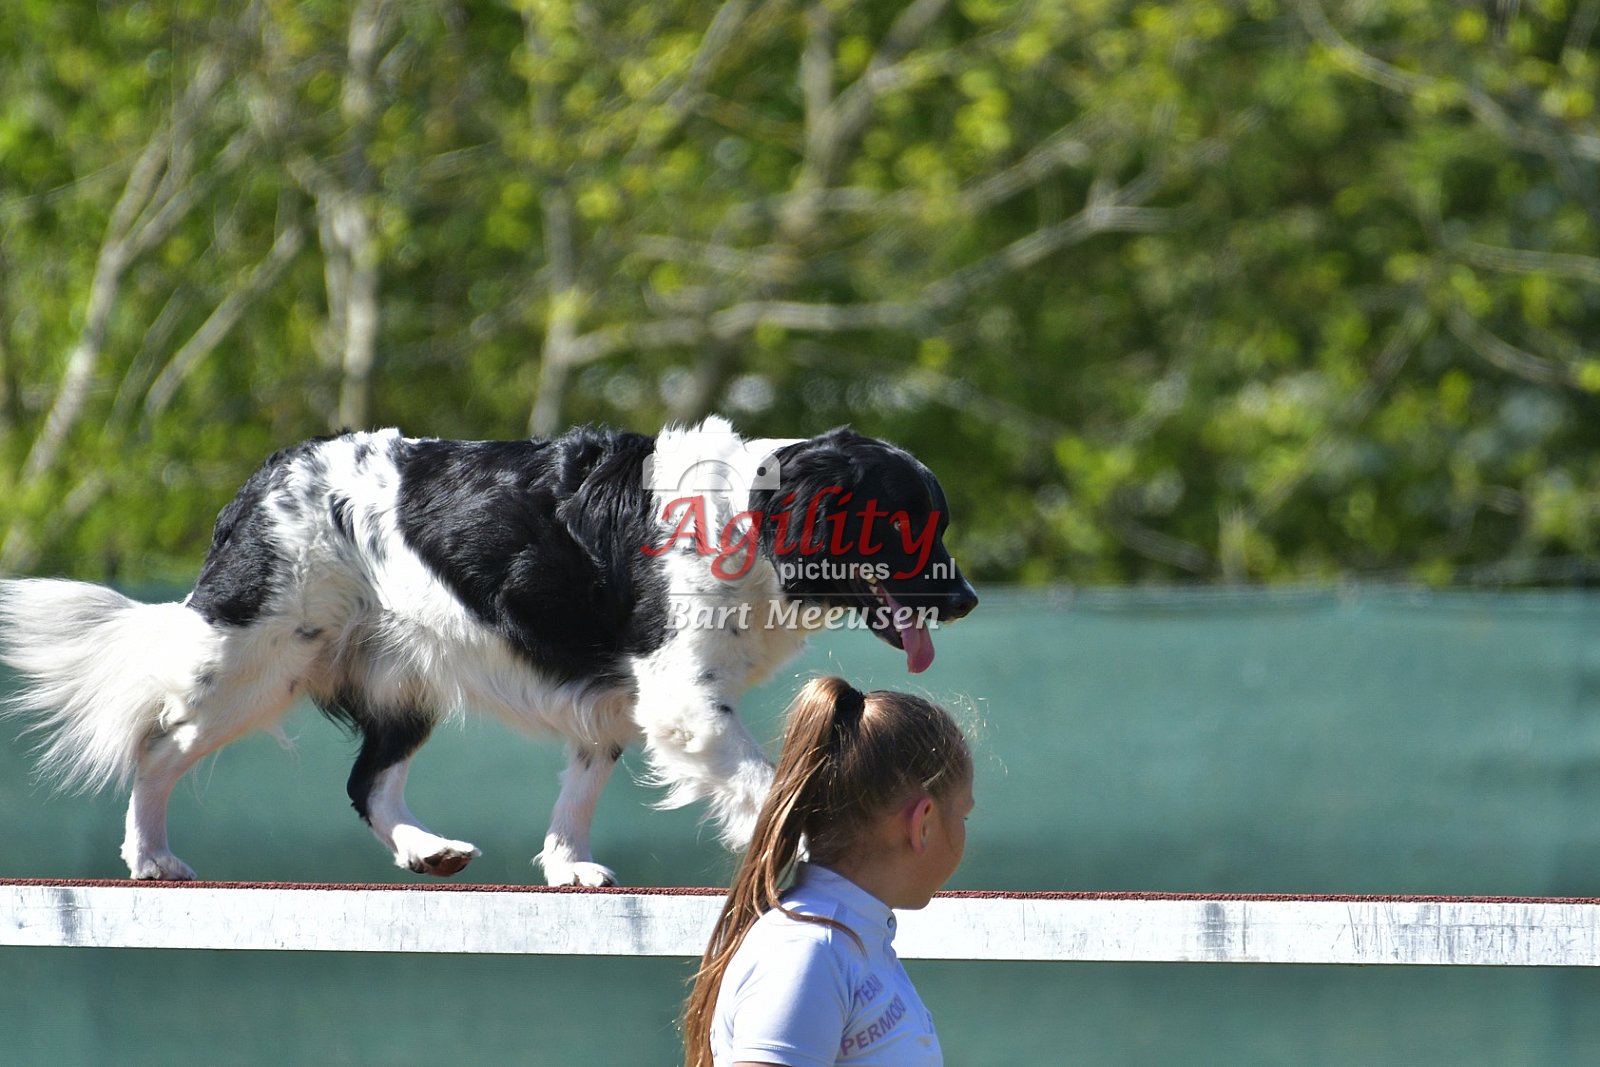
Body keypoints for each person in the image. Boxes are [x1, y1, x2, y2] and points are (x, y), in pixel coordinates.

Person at [683, 675, 975, 1067]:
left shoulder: (842, 943)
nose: (964, 830)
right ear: (922, 823)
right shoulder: (808, 950)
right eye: (964, 815)